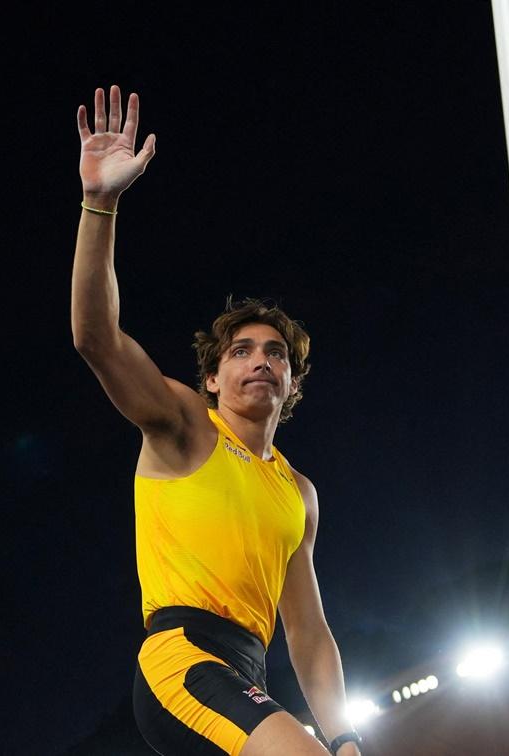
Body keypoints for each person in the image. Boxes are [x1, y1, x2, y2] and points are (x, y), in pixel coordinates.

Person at [71, 85, 366, 756]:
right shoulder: (184, 426)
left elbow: (310, 635)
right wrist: (101, 203)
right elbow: (96, 336)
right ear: (212, 378)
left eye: (276, 354)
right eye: (241, 351)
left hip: (247, 674)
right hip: (183, 659)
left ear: (290, 382)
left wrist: (345, 736)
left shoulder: (299, 494)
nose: (260, 361)